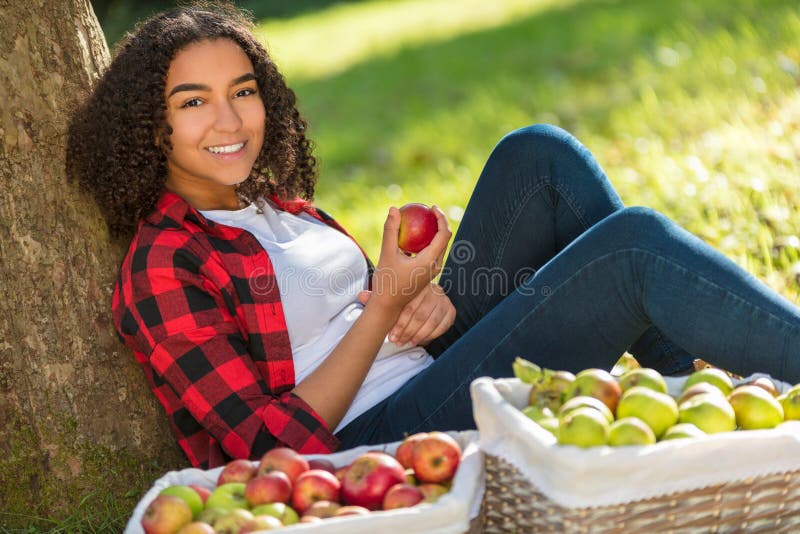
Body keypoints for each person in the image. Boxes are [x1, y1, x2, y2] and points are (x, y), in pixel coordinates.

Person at [67, 4, 800, 469]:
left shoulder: (277, 208)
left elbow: (361, 318)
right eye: (193, 102)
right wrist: (385, 310)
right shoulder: (164, 262)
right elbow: (270, 447)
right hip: (377, 443)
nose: (228, 122)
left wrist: (427, 305)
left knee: (538, 157)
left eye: (243, 91)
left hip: (428, 366)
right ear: (149, 126)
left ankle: (692, 396)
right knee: (632, 248)